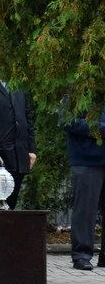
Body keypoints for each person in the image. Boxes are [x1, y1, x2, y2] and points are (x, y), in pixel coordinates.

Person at [0, 51, 36, 209]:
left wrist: (31, 149)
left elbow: (27, 116)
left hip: (19, 154)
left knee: (11, 205)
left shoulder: (19, 82)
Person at [61, 110, 105, 270]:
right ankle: (81, 255)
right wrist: (100, 129)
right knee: (85, 210)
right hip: (86, 159)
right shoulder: (76, 87)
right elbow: (67, 121)